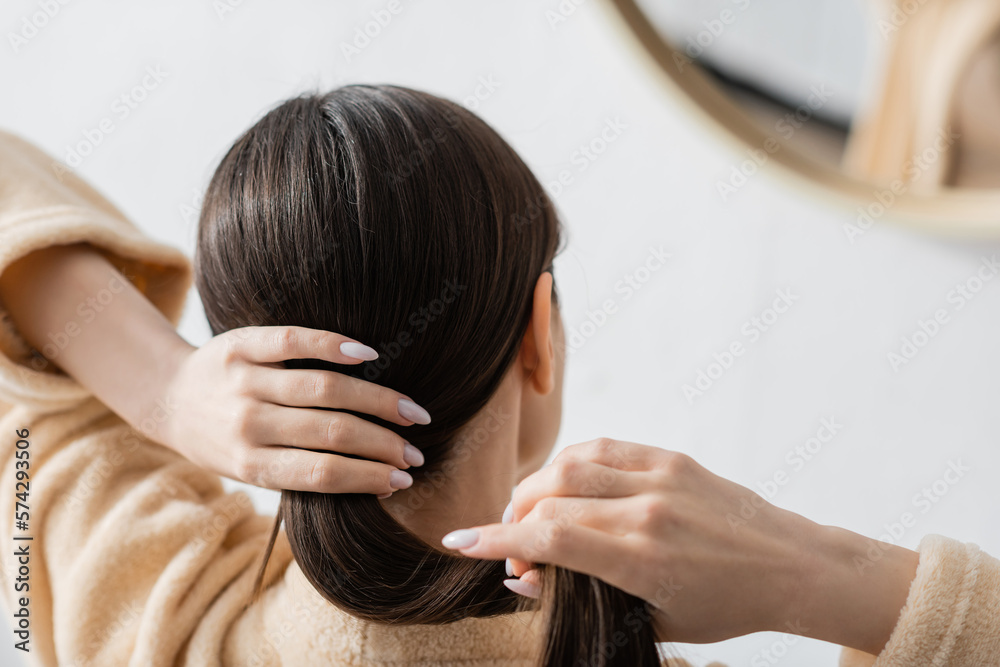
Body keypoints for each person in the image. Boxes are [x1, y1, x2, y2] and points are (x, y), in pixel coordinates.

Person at [0, 84, 995, 667]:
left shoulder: (143, 610)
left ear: (247, 358)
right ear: (538, 335)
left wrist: (166, 389)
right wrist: (816, 572)